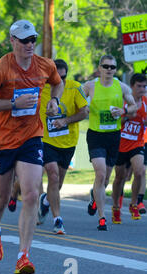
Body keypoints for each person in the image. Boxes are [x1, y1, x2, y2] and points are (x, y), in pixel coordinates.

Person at [0, 20, 63, 274]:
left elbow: (57, 82)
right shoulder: (0, 68)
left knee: (32, 193)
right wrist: (13, 105)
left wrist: (55, 101)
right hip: (1, 139)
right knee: (1, 199)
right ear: (12, 41)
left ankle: (24, 256)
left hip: (31, 135)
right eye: (24, 40)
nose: (30, 44)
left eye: (33, 39)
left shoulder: (45, 65)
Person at [82, 55, 137, 231]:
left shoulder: (121, 87)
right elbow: (77, 101)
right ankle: (102, 218)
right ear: (100, 68)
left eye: (112, 67)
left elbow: (135, 106)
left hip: (113, 136)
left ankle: (94, 198)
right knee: (100, 173)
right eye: (105, 66)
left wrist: (124, 110)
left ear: (115, 69)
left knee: (105, 178)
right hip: (96, 135)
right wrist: (84, 107)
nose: (109, 70)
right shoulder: (90, 86)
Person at [37, 59, 89, 234]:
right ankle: (57, 219)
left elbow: (84, 112)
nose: (61, 81)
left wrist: (65, 120)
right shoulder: (41, 88)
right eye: (57, 78)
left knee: (57, 183)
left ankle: (45, 201)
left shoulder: (74, 87)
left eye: (64, 77)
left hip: (68, 142)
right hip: (46, 140)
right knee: (52, 175)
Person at [110, 73, 147, 223]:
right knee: (120, 177)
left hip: (137, 143)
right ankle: (115, 208)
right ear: (131, 86)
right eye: (139, 86)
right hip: (120, 144)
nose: (142, 89)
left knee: (139, 171)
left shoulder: (145, 102)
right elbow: (114, 119)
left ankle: (133, 204)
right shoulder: (123, 100)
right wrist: (126, 117)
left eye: (144, 86)